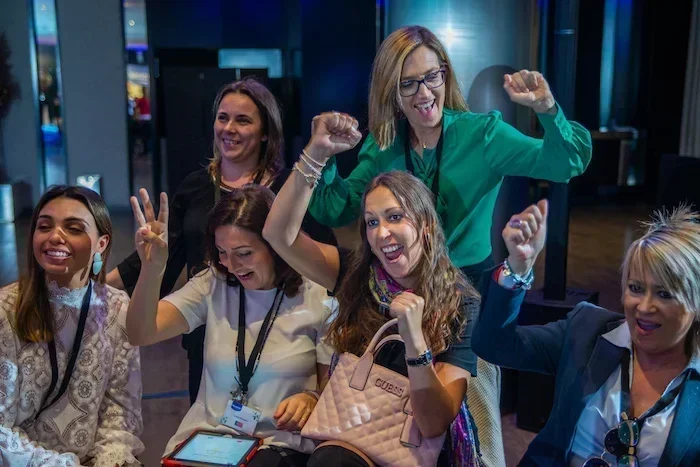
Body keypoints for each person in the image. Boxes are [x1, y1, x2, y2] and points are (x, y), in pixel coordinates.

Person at [304, 26, 592, 465]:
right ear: (391, 91)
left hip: (466, 301)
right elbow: (333, 207)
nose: (424, 93)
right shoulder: (384, 146)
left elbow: (567, 161)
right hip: (399, 302)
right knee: (398, 434)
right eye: (408, 83)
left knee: (477, 436)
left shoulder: (484, 135)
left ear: (445, 74)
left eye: (432, 76)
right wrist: (321, 154)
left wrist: (547, 109)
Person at [263, 115, 483, 466]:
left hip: (412, 449)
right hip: (350, 432)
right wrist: (316, 153)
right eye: (371, 222)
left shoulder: (459, 301)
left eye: (395, 217)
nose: (382, 233)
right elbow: (277, 234)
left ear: (426, 225)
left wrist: (416, 343)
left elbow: (433, 424)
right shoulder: (357, 275)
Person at [107, 77, 334, 405]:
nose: (229, 128)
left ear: (265, 131)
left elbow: (321, 261)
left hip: (281, 329)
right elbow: (163, 256)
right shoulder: (196, 189)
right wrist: (98, 283)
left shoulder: (291, 190)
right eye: (223, 117)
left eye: (243, 120)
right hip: (211, 326)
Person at [472, 201, 700, 466]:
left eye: (664, 294)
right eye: (635, 288)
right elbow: (494, 345)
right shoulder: (586, 330)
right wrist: (517, 269)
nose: (644, 307)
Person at [126, 185, 335, 467]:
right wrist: (152, 269)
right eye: (222, 252)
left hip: (277, 443)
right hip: (209, 438)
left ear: (276, 246)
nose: (232, 265)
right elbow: (141, 332)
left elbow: (331, 390)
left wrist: (311, 398)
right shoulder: (215, 283)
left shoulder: (317, 295)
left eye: (244, 253)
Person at [0, 185, 144, 466]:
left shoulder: (117, 307)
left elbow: (121, 410)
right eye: (44, 226)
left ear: (101, 243)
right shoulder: (6, 309)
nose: (55, 237)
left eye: (74, 228)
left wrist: (108, 458)